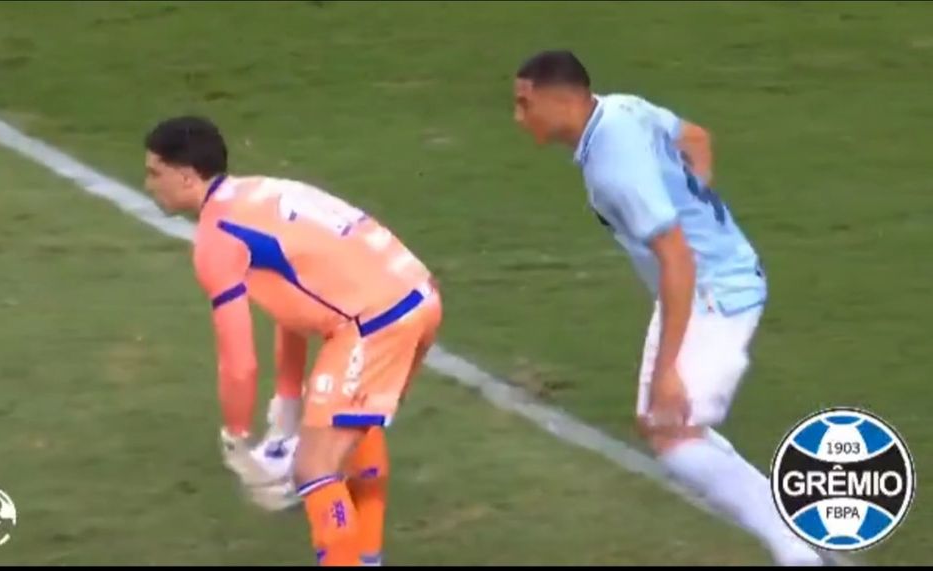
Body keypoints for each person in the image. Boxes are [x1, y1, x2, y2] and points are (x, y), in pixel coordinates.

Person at [512, 50, 822, 566]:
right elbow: (696, 138)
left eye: (525, 104)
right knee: (664, 425)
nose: (519, 117)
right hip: (704, 281)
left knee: (672, 432)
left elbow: (677, 259)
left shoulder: (614, 168)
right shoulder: (621, 108)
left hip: (714, 291)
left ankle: (797, 553)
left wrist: (668, 369)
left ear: (561, 99)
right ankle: (793, 536)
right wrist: (693, 200)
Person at [143, 116, 442, 566]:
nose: (148, 184)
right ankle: (367, 557)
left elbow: (239, 362)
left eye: (155, 173)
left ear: (186, 176)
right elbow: (292, 312)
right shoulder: (258, 193)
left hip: (374, 322)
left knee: (314, 468)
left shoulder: (216, 240)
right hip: (419, 294)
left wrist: (236, 436)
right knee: (353, 427)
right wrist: (287, 403)